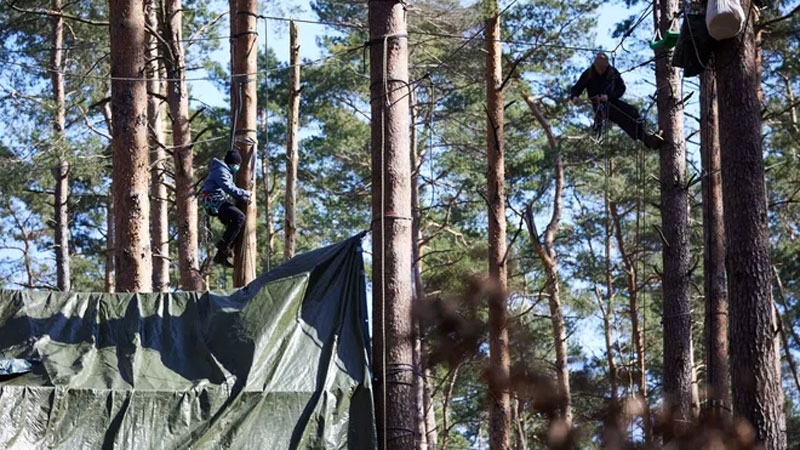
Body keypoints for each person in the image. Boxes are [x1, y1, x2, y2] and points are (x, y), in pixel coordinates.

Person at [570, 52, 663, 149]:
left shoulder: (612, 72)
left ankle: (647, 138)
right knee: (623, 119)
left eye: (603, 69)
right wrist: (574, 97)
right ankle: (647, 140)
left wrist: (609, 96)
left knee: (633, 112)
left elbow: (621, 88)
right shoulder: (588, 74)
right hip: (600, 107)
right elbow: (576, 88)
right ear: (595, 66)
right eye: (599, 68)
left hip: (612, 101)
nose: (601, 71)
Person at [201, 149, 252, 267]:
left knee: (235, 225)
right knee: (239, 217)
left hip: (217, 200)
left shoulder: (226, 171)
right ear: (233, 163)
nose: (238, 168)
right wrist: (246, 193)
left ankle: (221, 255)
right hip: (214, 201)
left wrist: (242, 198)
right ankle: (224, 246)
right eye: (237, 165)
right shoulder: (221, 170)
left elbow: (231, 187)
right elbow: (228, 187)